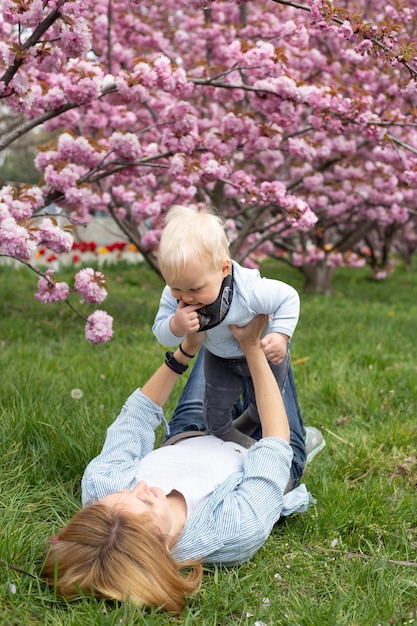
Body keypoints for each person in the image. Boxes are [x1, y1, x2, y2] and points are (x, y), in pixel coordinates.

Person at [42, 316, 325, 613]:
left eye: (123, 494)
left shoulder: (101, 490)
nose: (140, 486)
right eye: (147, 503)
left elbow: (135, 417)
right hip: (261, 451)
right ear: (163, 548)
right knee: (271, 345)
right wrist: (252, 348)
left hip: (192, 431)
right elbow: (274, 447)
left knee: (221, 321)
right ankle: (299, 440)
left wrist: (186, 351)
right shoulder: (231, 531)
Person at [153, 205, 301, 448]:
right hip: (219, 356)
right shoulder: (175, 293)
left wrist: (281, 335)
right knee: (214, 413)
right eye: (176, 288)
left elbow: (288, 297)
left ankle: (254, 425)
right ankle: (232, 438)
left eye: (195, 289)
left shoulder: (249, 291)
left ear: (224, 269)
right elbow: (162, 333)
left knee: (266, 405)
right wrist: (175, 325)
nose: (186, 297)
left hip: (263, 354)